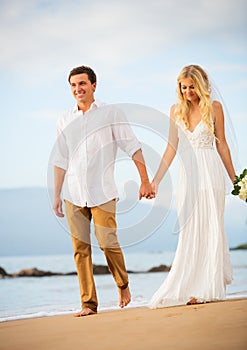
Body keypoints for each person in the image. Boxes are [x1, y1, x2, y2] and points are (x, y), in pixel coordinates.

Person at [52, 65, 154, 316]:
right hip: (73, 193)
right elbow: (60, 159)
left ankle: (122, 284)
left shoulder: (110, 113)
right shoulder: (64, 119)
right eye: (74, 85)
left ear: (94, 85)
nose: (78, 89)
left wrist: (144, 180)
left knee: (107, 242)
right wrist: (56, 194)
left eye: (82, 84)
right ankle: (88, 304)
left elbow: (132, 146)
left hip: (103, 192)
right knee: (81, 250)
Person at [149, 64, 235, 308]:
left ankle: (207, 287)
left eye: (192, 87)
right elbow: (171, 148)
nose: (188, 91)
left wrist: (236, 181)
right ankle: (191, 286)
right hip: (188, 175)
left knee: (211, 226)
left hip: (210, 172)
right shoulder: (175, 111)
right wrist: (155, 180)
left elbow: (223, 146)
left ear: (202, 85)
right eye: (183, 87)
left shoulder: (214, 108)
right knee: (191, 228)